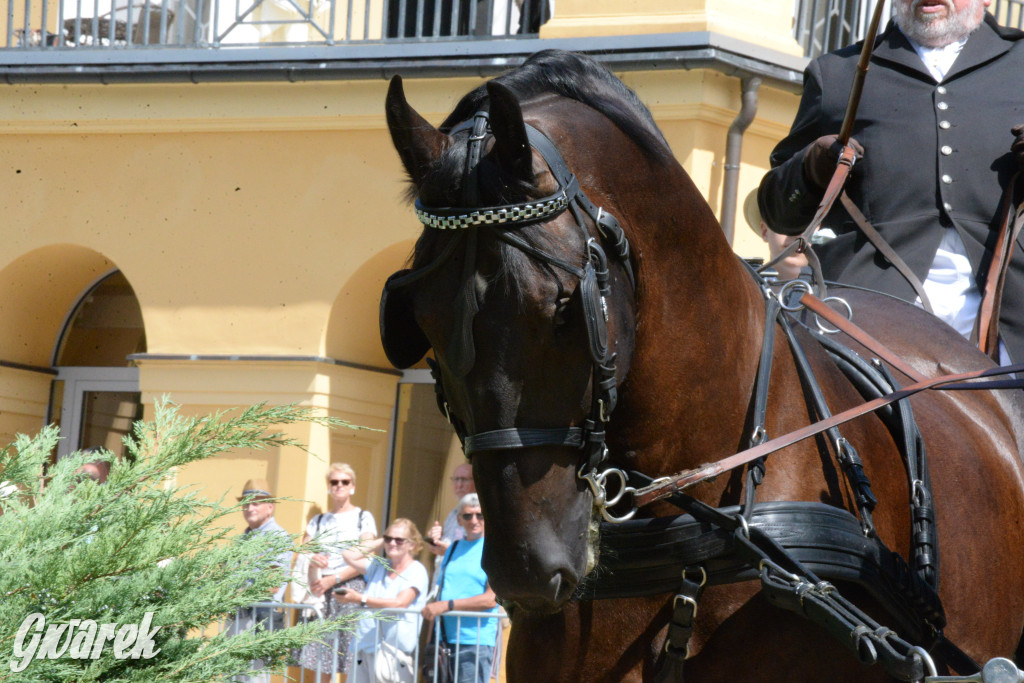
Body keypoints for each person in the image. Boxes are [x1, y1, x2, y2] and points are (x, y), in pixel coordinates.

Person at [758, 0, 1024, 363]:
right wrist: (810, 166)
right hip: (869, 318)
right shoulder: (837, 73)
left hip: (1012, 317)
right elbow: (777, 212)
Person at [297, 463, 378, 682]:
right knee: (321, 654)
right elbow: (304, 549)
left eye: (345, 482)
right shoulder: (319, 520)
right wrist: (314, 558)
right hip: (319, 588)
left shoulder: (363, 517)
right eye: (335, 482)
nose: (339, 486)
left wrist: (336, 578)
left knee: (350, 653)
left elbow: (366, 554)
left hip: (350, 586)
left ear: (352, 486)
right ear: (329, 487)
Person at [338, 519, 429, 683]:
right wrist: (381, 541)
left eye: (399, 540)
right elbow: (348, 555)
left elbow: (400, 603)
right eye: (389, 538)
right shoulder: (379, 565)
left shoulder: (417, 571)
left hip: (393, 652)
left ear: (412, 545)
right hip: (364, 646)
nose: (392, 543)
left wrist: (361, 598)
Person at [421, 493, 498, 683]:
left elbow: (491, 599)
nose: (474, 521)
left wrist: (448, 605)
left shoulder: (493, 550)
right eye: (467, 516)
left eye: (480, 515)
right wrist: (430, 640)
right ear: (458, 519)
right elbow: (440, 595)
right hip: (444, 640)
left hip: (474, 642)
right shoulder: (453, 549)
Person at [226, 477, 293, 683]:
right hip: (237, 620)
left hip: (258, 622)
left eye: (256, 503)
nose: (249, 508)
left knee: (253, 679)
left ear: (270, 507)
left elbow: (271, 586)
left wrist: (236, 594)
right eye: (245, 504)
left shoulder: (278, 538)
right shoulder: (241, 539)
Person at [744, 189, 808, 281]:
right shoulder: (742, 288)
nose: (796, 233)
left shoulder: (835, 292)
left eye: (806, 223)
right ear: (765, 231)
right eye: (785, 221)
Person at [426, 462, 475, 559]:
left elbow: (476, 552)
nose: (459, 485)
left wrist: (450, 551)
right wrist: (435, 539)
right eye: (456, 479)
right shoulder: (453, 514)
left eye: (465, 480)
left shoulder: (481, 516)